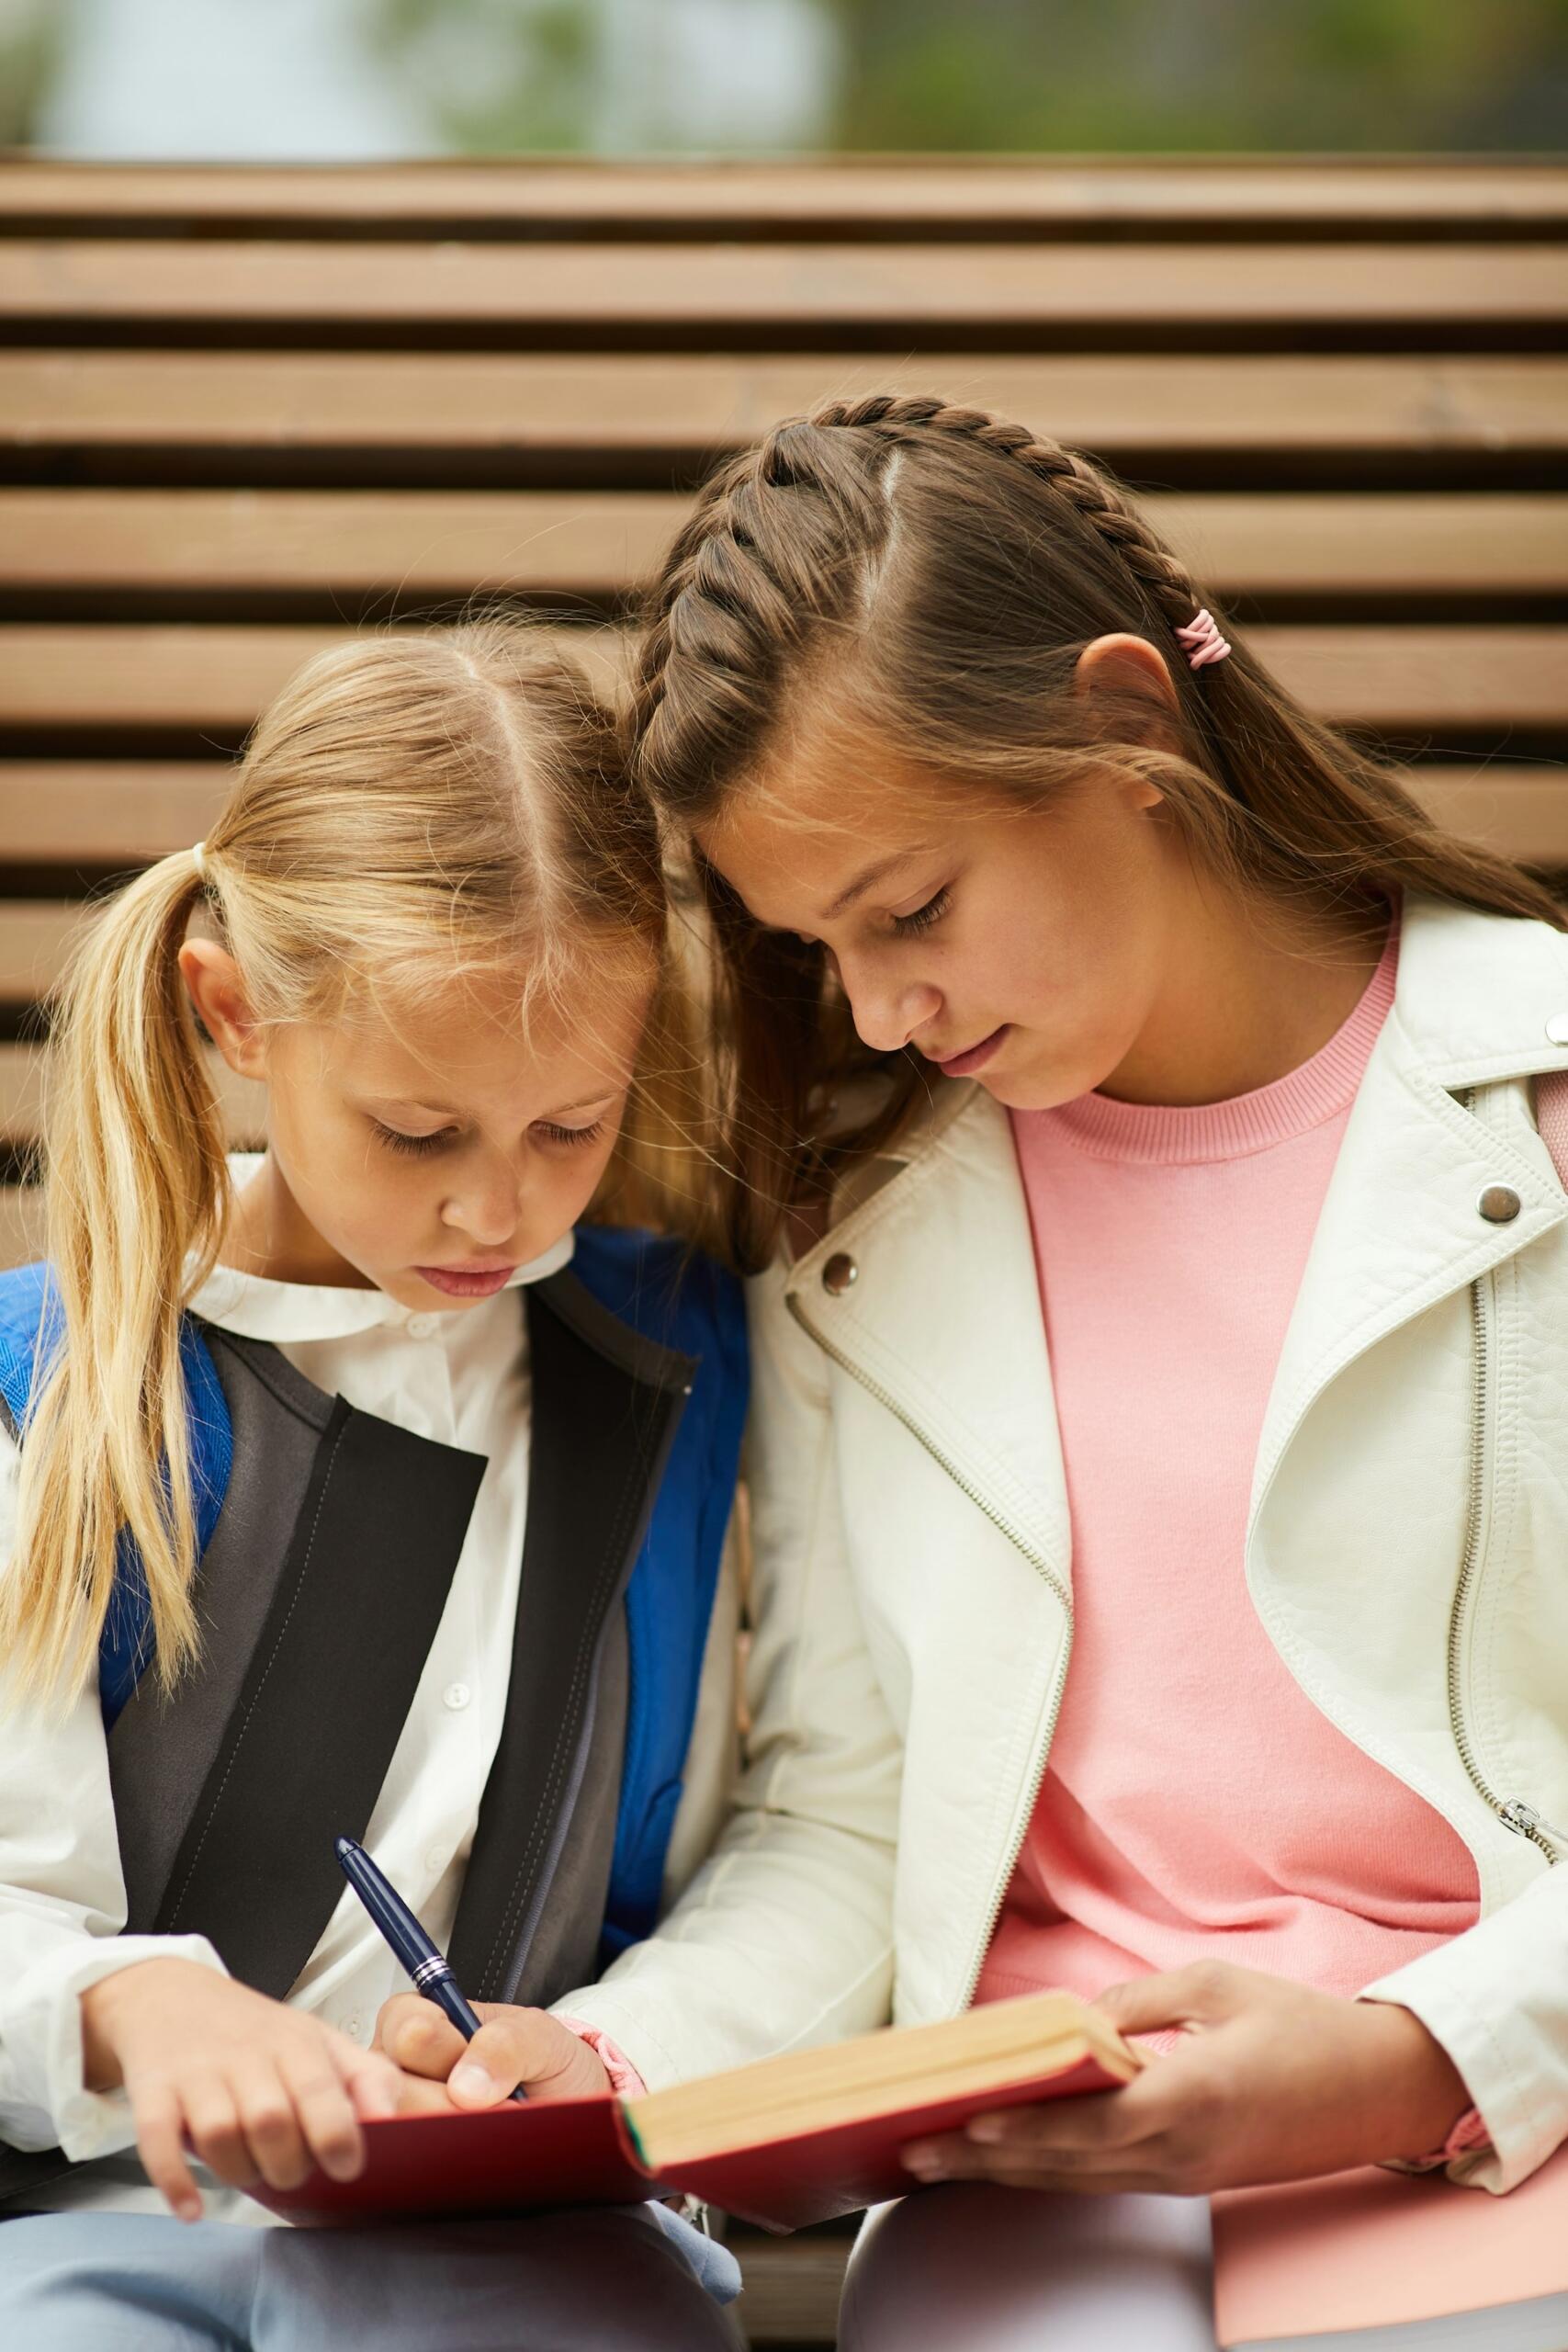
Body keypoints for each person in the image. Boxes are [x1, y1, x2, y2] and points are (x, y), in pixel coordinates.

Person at [458, 391, 1564, 2350]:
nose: (883, 1007)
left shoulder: (1534, 1110)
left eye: (911, 908)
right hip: (1039, 2201)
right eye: (816, 952)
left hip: (1514, 2125)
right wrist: (614, 2058)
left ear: (1126, 721)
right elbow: (848, 1825)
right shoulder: (861, 1244)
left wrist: (1411, 2051)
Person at [0, 622, 747, 2348]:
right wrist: (129, 2010)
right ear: (234, 1013)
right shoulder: (49, 1393)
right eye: (421, 1134)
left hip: (524, 2230)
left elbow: (794, 1832)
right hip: (88, 2223)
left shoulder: (682, 1377)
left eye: (569, 1128)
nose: (501, 1214)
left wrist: (620, 2049)